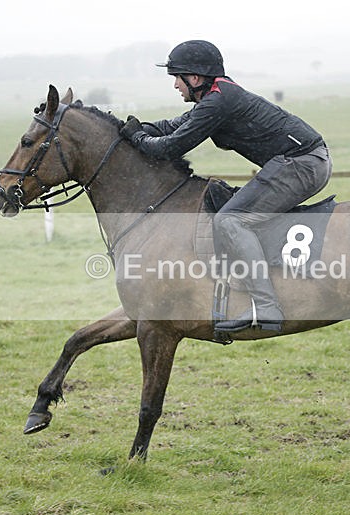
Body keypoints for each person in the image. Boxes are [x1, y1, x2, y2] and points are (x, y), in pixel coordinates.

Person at [120, 40, 332, 333]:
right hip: (300, 160)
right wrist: (130, 129)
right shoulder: (216, 96)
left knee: (230, 220)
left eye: (176, 79)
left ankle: (267, 306)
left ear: (194, 78)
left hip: (301, 163)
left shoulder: (218, 101)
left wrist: (139, 139)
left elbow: (172, 146)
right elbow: (173, 126)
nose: (175, 86)